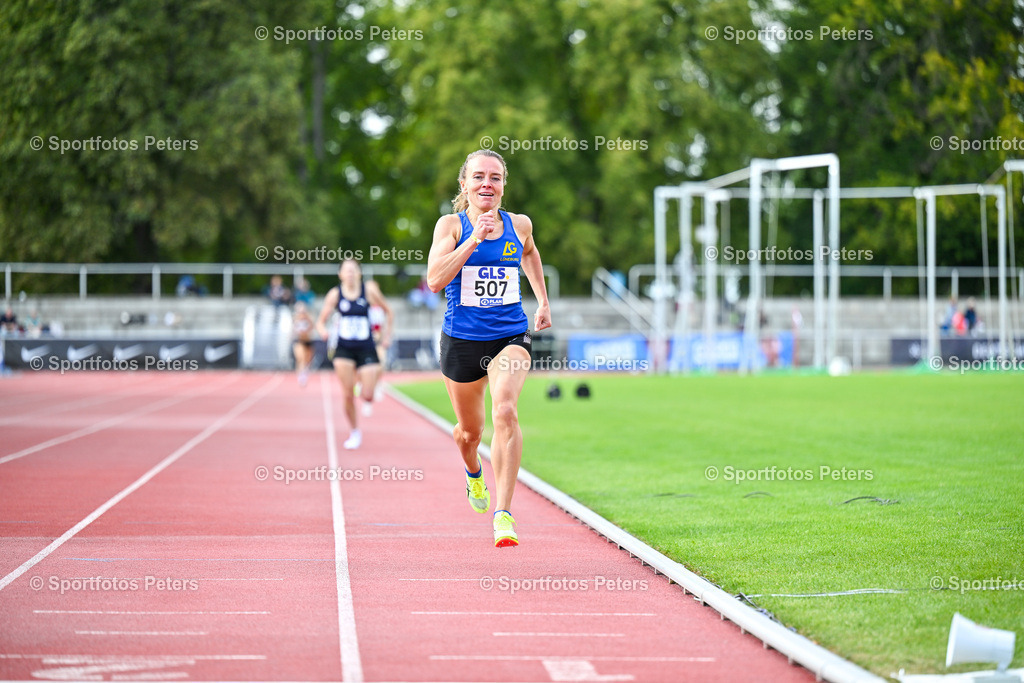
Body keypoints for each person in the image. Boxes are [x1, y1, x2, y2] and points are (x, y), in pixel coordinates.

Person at [426, 149, 552, 548]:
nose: (487, 184)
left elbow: (529, 252)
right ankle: (473, 474)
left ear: (503, 185)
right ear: (464, 184)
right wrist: (473, 240)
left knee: (505, 410)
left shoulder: (520, 225)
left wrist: (542, 299)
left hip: (510, 335)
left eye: (495, 178)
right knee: (468, 433)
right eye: (478, 177)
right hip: (462, 340)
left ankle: (503, 514)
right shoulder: (451, 225)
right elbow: (434, 279)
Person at [316, 259, 393, 449]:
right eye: (346, 271)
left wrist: (386, 336)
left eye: (353, 270)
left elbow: (389, 312)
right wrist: (323, 332)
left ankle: (364, 384)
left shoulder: (369, 291)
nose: (350, 274)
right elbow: (320, 320)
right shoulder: (335, 294)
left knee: (367, 396)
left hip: (366, 347)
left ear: (359, 273)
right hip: (344, 349)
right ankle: (354, 432)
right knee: (347, 394)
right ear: (340, 274)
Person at [292, 302, 316, 387]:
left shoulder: (309, 318)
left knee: (307, 360)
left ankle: (304, 372)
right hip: (298, 340)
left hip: (308, 341)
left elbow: (313, 328)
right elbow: (292, 331)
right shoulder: (295, 319)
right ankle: (301, 377)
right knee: (300, 358)